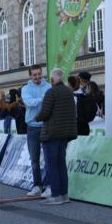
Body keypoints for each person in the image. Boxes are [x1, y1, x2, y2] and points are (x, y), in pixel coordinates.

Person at [36, 68, 77, 206]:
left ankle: (56, 195)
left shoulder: (51, 92)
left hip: (51, 133)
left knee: (52, 165)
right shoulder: (69, 92)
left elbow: (45, 113)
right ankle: (64, 195)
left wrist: (36, 117)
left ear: (53, 78)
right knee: (61, 164)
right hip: (65, 134)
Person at [21, 65, 51, 197]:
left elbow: (51, 103)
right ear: (30, 76)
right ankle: (37, 186)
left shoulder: (49, 86)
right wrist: (43, 99)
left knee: (49, 157)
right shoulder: (25, 89)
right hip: (32, 127)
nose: (37, 77)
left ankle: (49, 186)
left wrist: (38, 101)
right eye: (34, 75)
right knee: (34, 159)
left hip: (47, 125)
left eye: (39, 74)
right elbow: (29, 102)